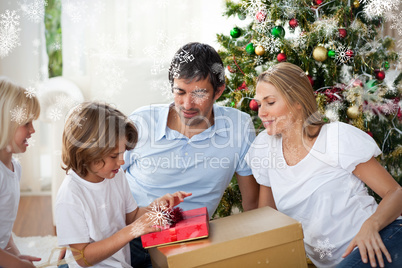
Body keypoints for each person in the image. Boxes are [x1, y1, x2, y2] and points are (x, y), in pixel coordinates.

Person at [246, 62, 402, 268]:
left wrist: (370, 226)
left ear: (298, 102)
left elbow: (395, 192)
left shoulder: (336, 138)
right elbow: (268, 217)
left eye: (270, 102)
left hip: (381, 239)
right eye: (259, 104)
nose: (261, 113)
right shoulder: (264, 148)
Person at [123, 42, 259, 266]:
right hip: (131, 235)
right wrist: (82, 239)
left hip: (192, 242)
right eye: (180, 92)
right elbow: (100, 176)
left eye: (199, 94)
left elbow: (252, 204)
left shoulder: (239, 127)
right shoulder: (141, 122)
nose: (187, 104)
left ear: (219, 91)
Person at [55, 102, 191, 268]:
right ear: (89, 153)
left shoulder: (116, 175)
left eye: (123, 152)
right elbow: (83, 258)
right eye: (114, 156)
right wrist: (132, 231)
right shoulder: (70, 195)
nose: (122, 161)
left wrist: (156, 207)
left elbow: (131, 217)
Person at [0, 77, 41, 268]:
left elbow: (3, 233)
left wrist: (16, 257)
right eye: (27, 122)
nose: (32, 129)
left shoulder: (15, 169)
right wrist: (15, 265)